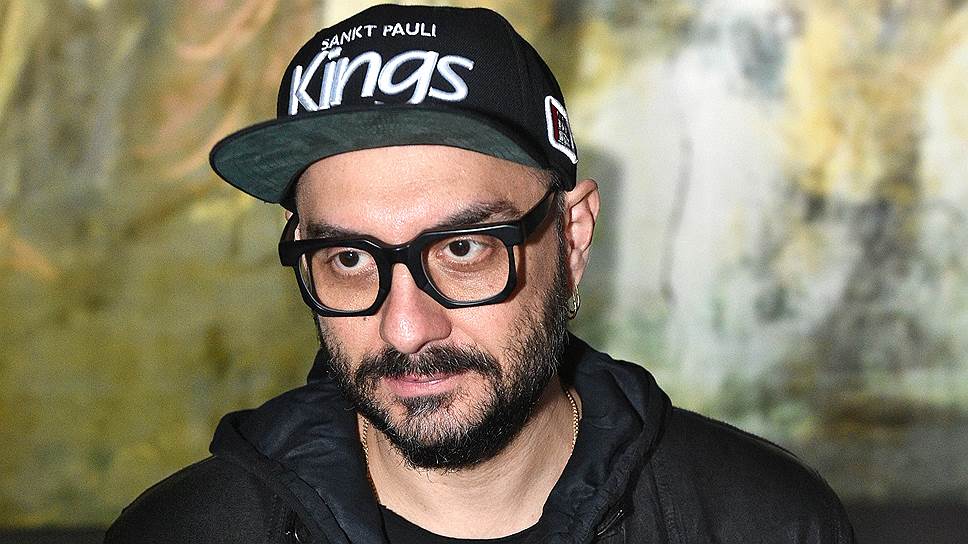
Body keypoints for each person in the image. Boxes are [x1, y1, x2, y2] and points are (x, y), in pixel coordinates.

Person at [106, 4, 855, 543]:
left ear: (573, 236)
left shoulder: (761, 522)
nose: (406, 328)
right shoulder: (186, 531)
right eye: (349, 258)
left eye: (464, 249)